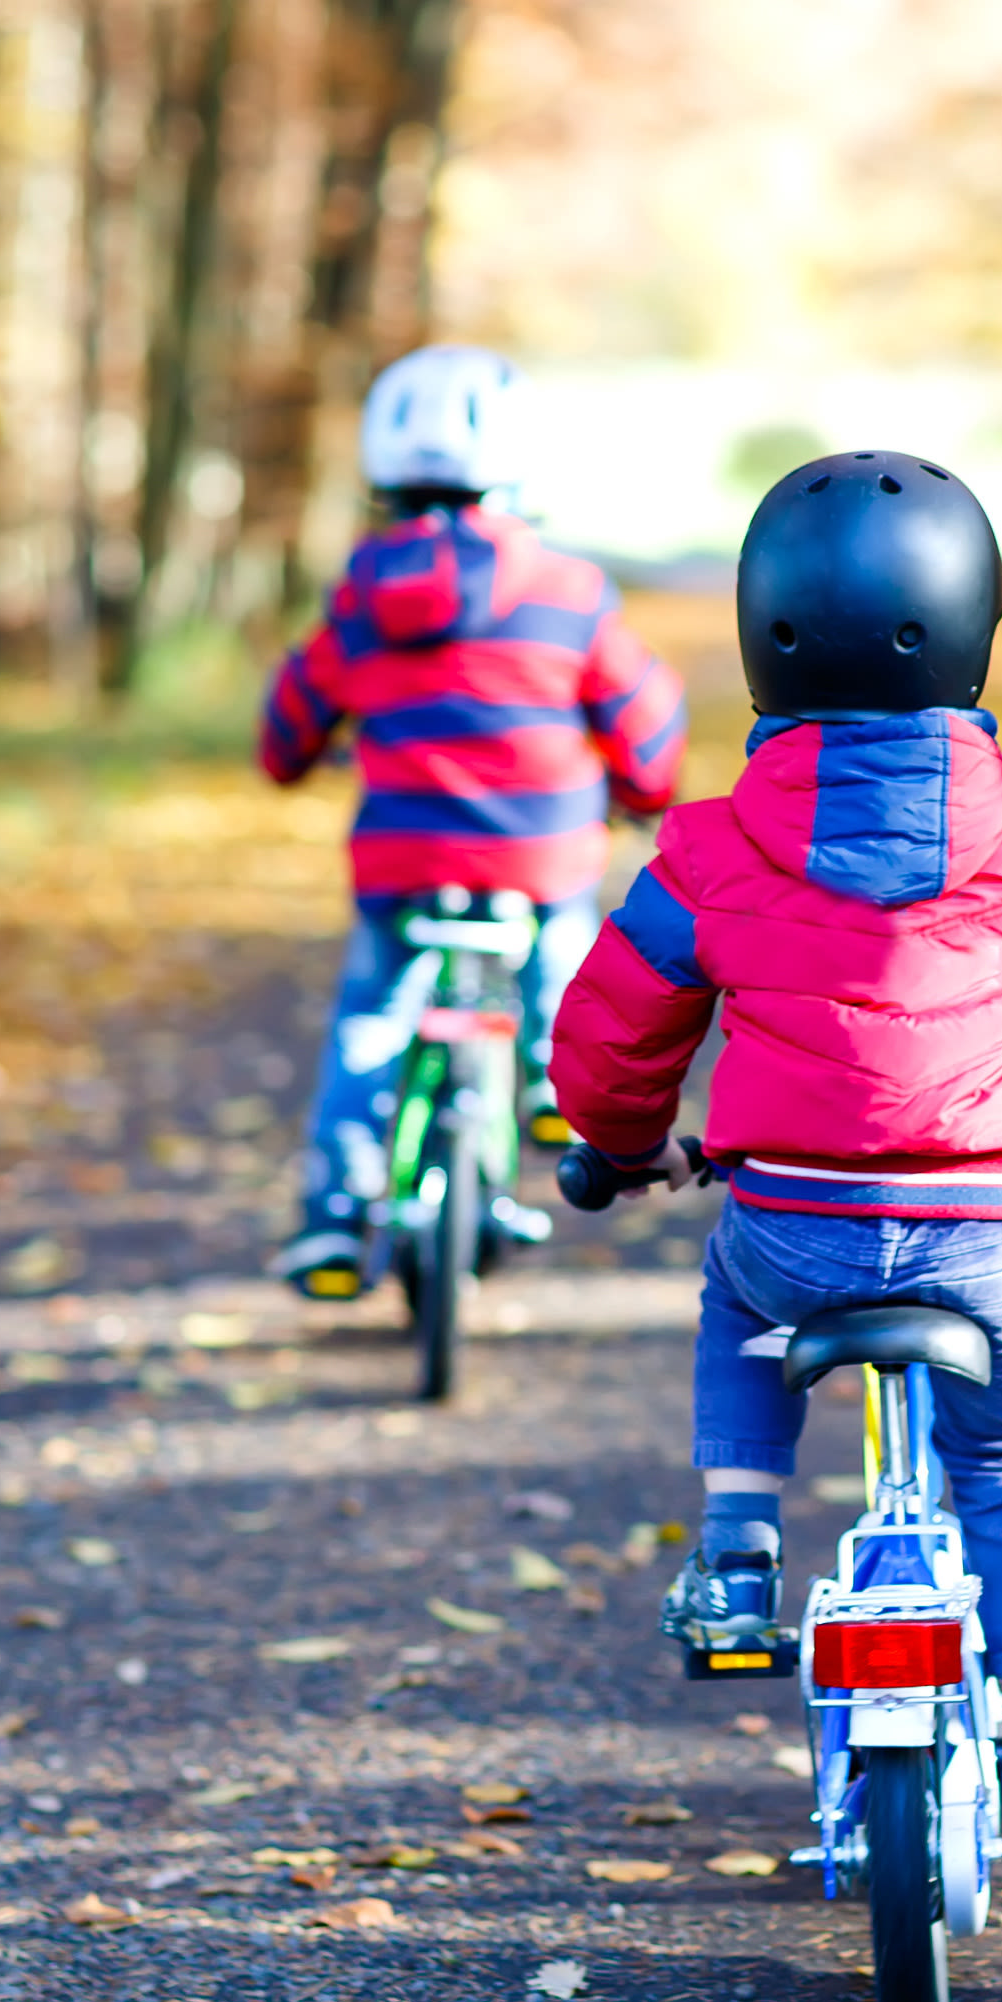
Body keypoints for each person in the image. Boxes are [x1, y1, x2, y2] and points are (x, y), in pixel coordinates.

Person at [545, 449, 1002, 1860]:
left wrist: (619, 1147)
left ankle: (737, 1548)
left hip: (796, 1221)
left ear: (760, 638)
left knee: (738, 1283)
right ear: (976, 627)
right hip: (987, 1236)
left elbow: (612, 1032)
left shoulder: (713, 850)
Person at [259, 344, 688, 1301]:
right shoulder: (567, 588)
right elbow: (644, 720)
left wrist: (297, 754)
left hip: (402, 860)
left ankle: (336, 1210)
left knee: (371, 1025)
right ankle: (554, 1078)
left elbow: (290, 725)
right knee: (565, 939)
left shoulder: (361, 592)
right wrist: (645, 789)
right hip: (539, 851)